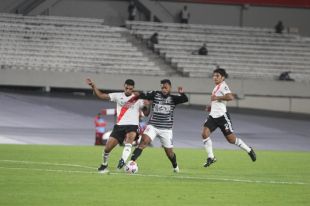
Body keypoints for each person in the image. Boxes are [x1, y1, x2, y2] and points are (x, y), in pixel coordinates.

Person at [86, 78, 145, 173]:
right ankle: (104, 165)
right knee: (107, 148)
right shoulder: (117, 96)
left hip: (132, 125)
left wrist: (147, 104)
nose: (128, 90)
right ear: (124, 87)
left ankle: (122, 160)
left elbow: (146, 112)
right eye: (127, 88)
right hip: (119, 126)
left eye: (130, 89)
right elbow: (101, 95)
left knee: (129, 141)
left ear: (133, 88)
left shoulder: (138, 98)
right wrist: (93, 86)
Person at [130, 79, 188, 173]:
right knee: (143, 142)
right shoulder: (155, 94)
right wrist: (133, 93)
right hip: (153, 126)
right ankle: (132, 161)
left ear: (170, 88)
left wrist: (182, 93)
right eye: (162, 87)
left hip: (166, 129)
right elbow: (142, 94)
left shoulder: (173, 98)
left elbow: (185, 99)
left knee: (169, 153)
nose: (164, 89)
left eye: (166, 87)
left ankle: (175, 166)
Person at [201, 68, 256, 168]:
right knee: (204, 134)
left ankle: (249, 150)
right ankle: (211, 157)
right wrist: (211, 107)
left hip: (222, 117)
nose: (215, 77)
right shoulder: (216, 87)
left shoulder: (223, 86)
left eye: (217, 76)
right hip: (213, 116)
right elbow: (217, 101)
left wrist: (217, 98)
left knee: (231, 140)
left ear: (223, 77)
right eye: (214, 76)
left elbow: (230, 97)